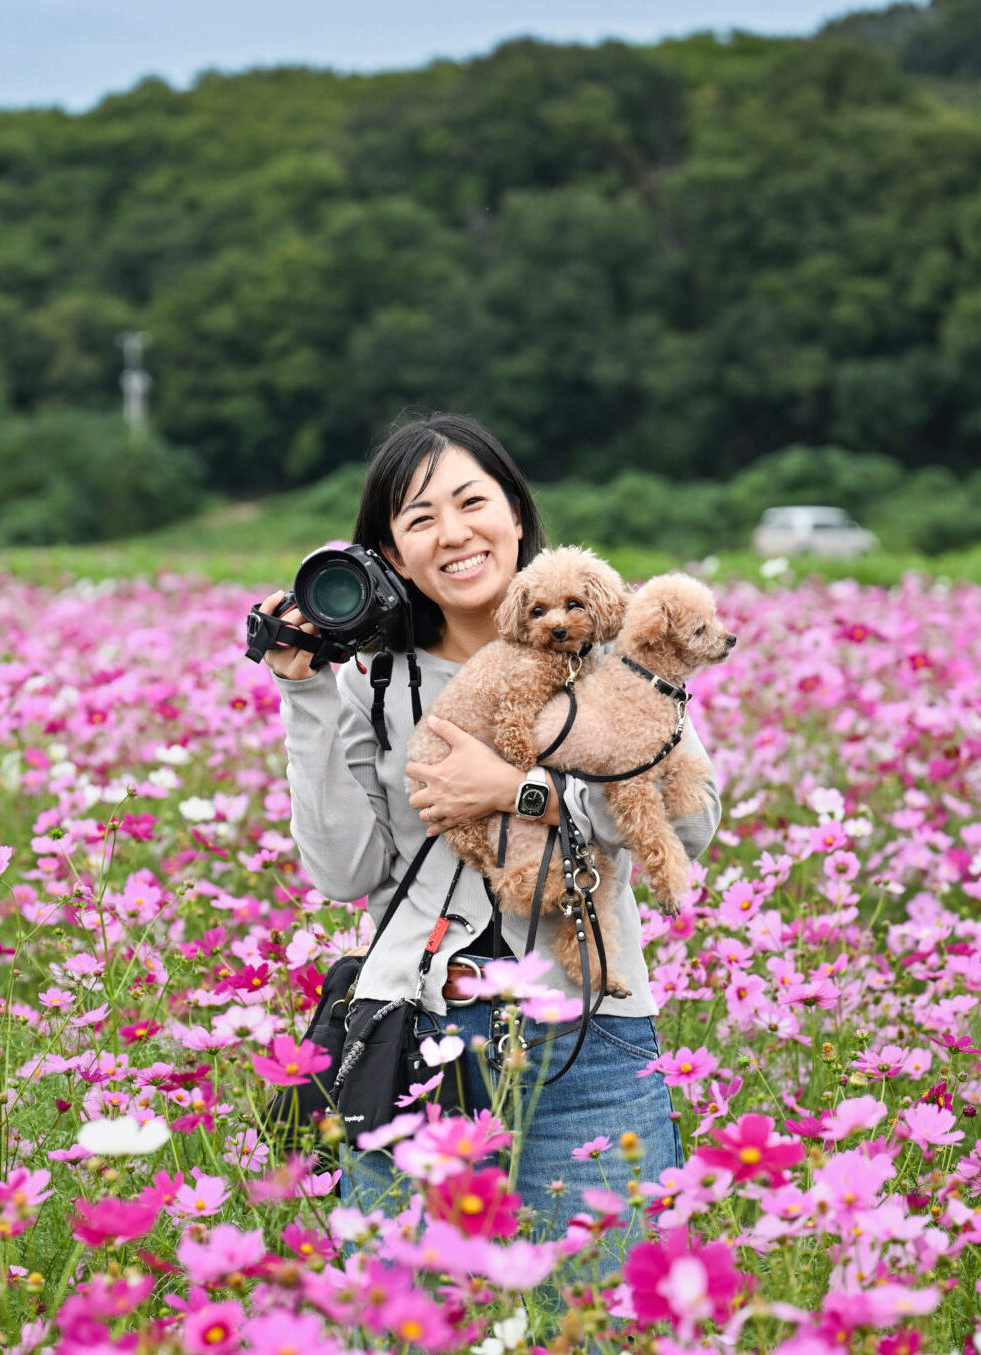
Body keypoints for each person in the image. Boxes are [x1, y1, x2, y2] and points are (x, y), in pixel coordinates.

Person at [257, 413, 721, 1265]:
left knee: (608, 1308)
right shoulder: (373, 683)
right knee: (405, 1315)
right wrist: (306, 695)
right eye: (419, 518)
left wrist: (522, 793)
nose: (453, 532)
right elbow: (342, 869)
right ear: (393, 555)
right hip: (414, 1039)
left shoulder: (615, 657)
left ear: (514, 513)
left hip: (590, 1037)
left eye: (471, 502)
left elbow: (692, 823)